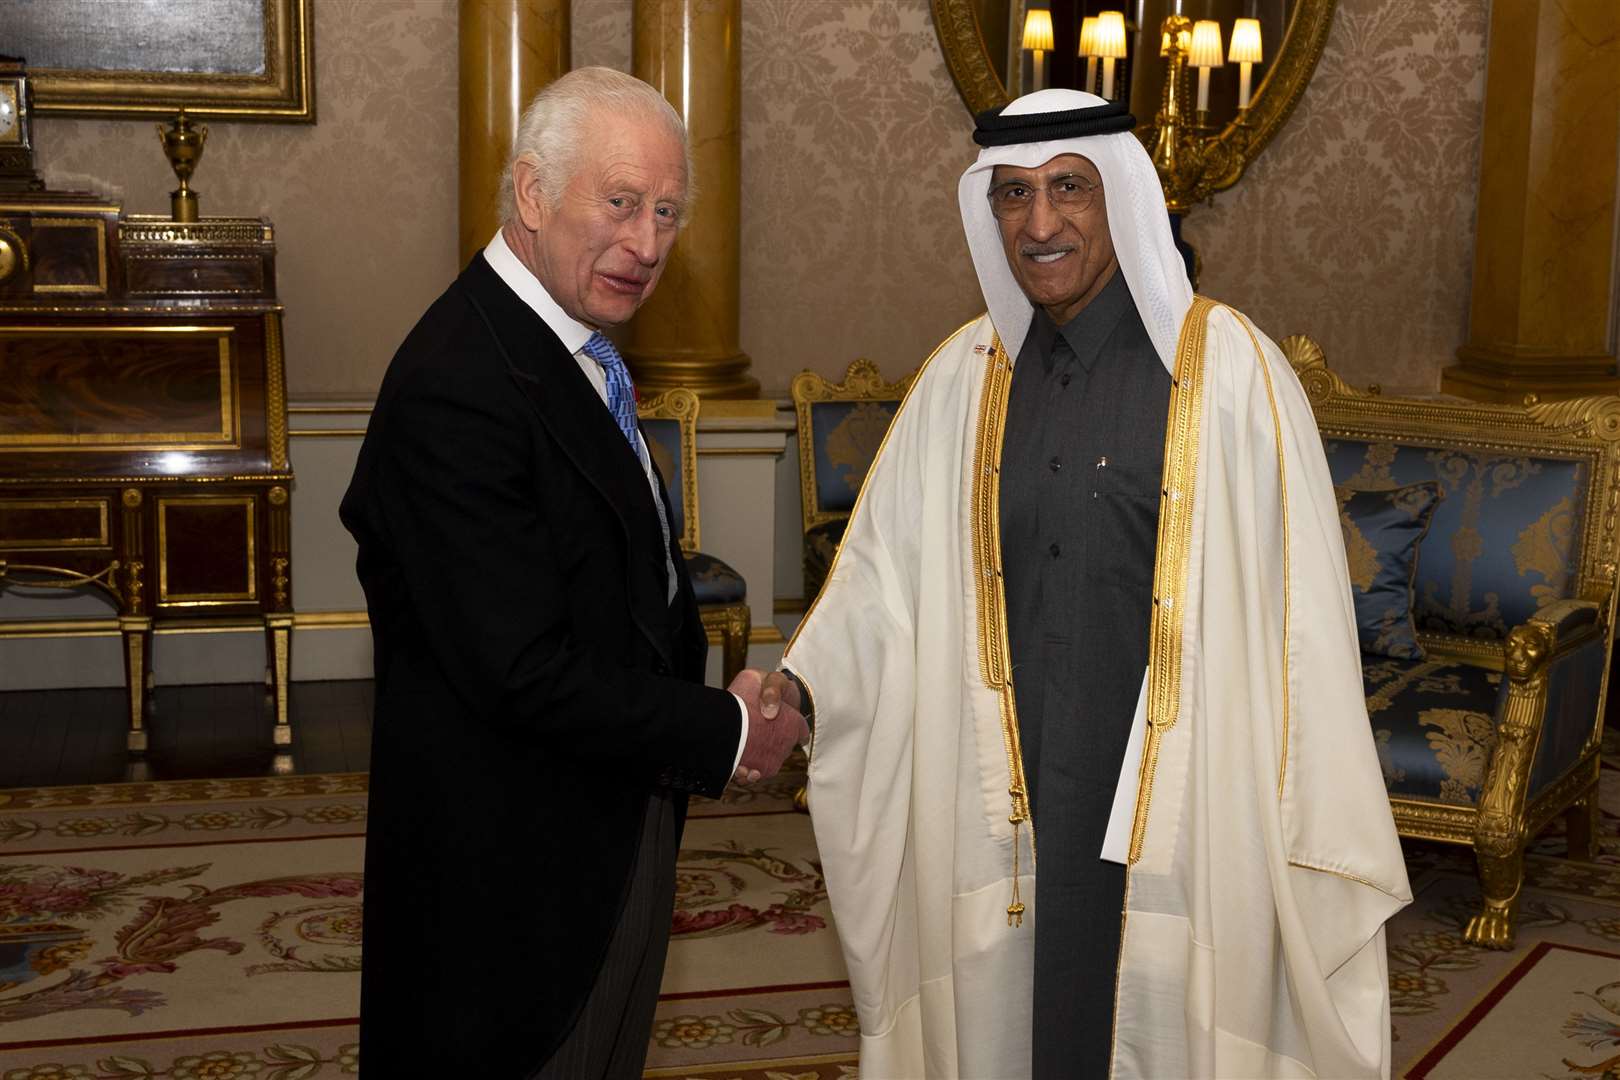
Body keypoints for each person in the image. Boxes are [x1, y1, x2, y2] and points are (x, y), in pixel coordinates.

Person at [766, 88, 1413, 1078]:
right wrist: (799, 691)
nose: (1039, 223)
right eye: (1013, 195)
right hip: (1005, 800)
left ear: (1121, 195)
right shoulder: (961, 379)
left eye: (1069, 188)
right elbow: (879, 580)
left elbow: (1302, 625)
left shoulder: (1231, 372)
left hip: (1183, 805)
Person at [340, 67, 806, 1078]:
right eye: (622, 203)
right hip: (514, 878)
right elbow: (520, 669)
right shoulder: (460, 381)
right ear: (532, 193)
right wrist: (722, 731)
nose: (647, 245)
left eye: (669, 211)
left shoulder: (565, 349)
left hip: (601, 816)